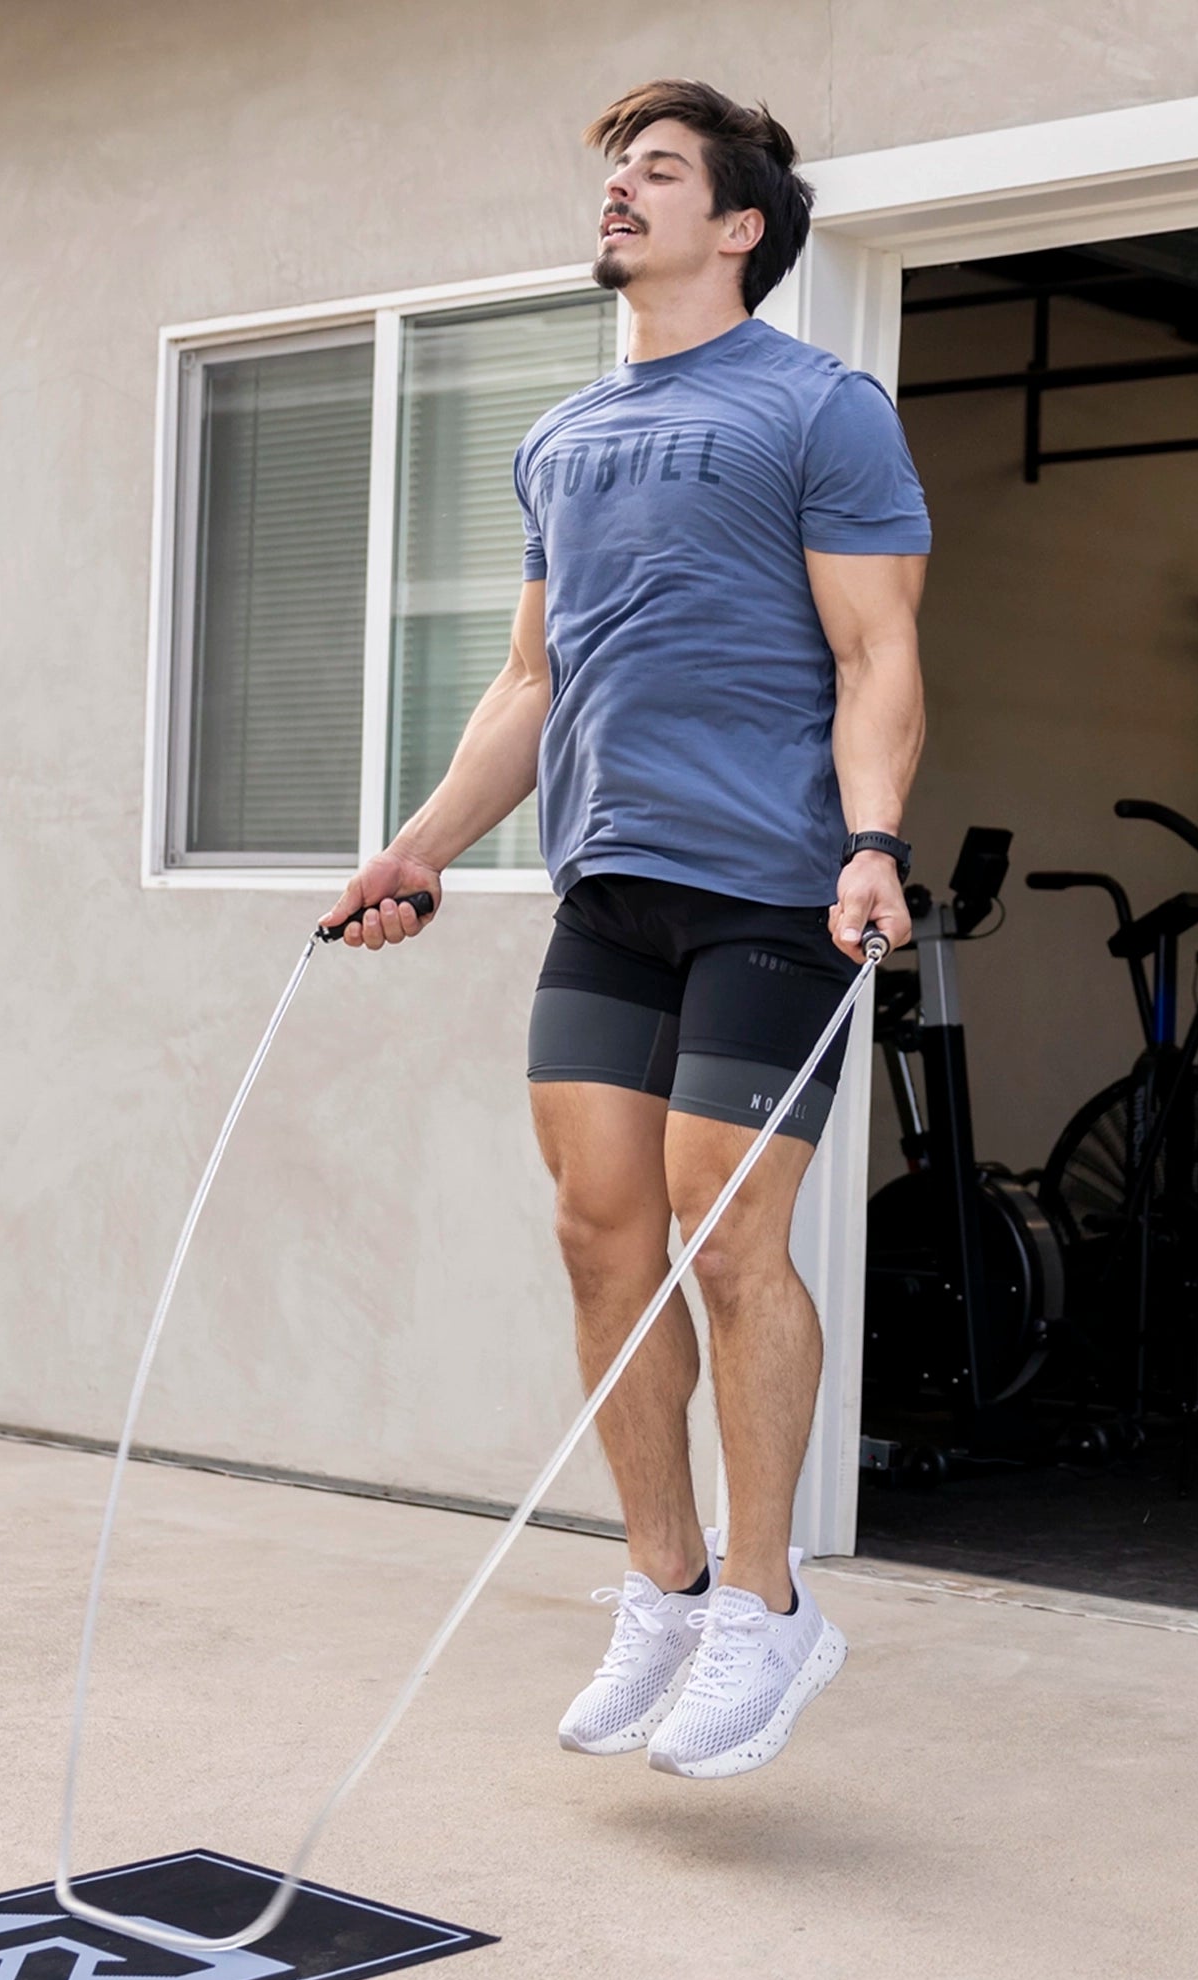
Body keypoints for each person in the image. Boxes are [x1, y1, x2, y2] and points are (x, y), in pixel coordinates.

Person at [321, 78, 927, 1779]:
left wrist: (875, 841)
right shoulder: (559, 440)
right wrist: (418, 851)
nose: (620, 194)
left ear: (739, 226)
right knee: (602, 1234)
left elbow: (879, 655)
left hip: (776, 886)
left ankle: (768, 1607)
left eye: (658, 174)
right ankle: (661, 1589)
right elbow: (531, 680)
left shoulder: (823, 408)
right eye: (612, 173)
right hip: (610, 886)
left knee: (728, 1242)